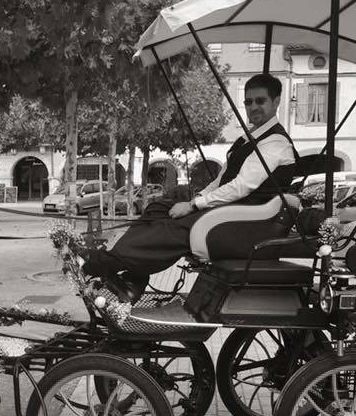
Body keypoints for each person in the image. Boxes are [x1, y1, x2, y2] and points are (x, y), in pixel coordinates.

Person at [83, 73, 299, 301]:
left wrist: (195, 205)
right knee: (158, 209)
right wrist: (196, 200)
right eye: (248, 101)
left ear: (276, 102)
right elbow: (221, 181)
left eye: (260, 101)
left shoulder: (275, 142)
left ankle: (105, 263)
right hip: (234, 212)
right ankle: (133, 280)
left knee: (176, 228)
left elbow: (241, 187)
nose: (253, 107)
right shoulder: (249, 140)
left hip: (250, 222)